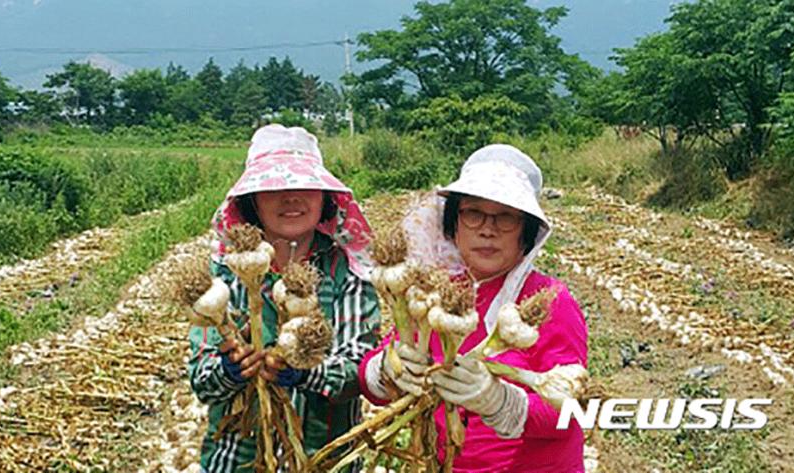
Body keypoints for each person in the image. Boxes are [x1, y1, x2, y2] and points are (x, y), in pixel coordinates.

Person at [358, 144, 589, 472]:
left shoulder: (550, 301)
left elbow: (574, 410)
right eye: (473, 213)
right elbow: (373, 384)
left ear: (526, 232)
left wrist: (504, 402)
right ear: (453, 224)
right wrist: (386, 368)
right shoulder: (433, 293)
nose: (487, 229)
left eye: (505, 217)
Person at [188, 124, 381, 473]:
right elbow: (203, 380)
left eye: (304, 186)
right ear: (252, 202)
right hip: (235, 462)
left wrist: (306, 371)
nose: (291, 197)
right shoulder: (227, 273)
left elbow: (361, 372)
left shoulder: (348, 270)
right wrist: (231, 370)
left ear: (324, 197)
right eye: (273, 188)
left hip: (324, 461)